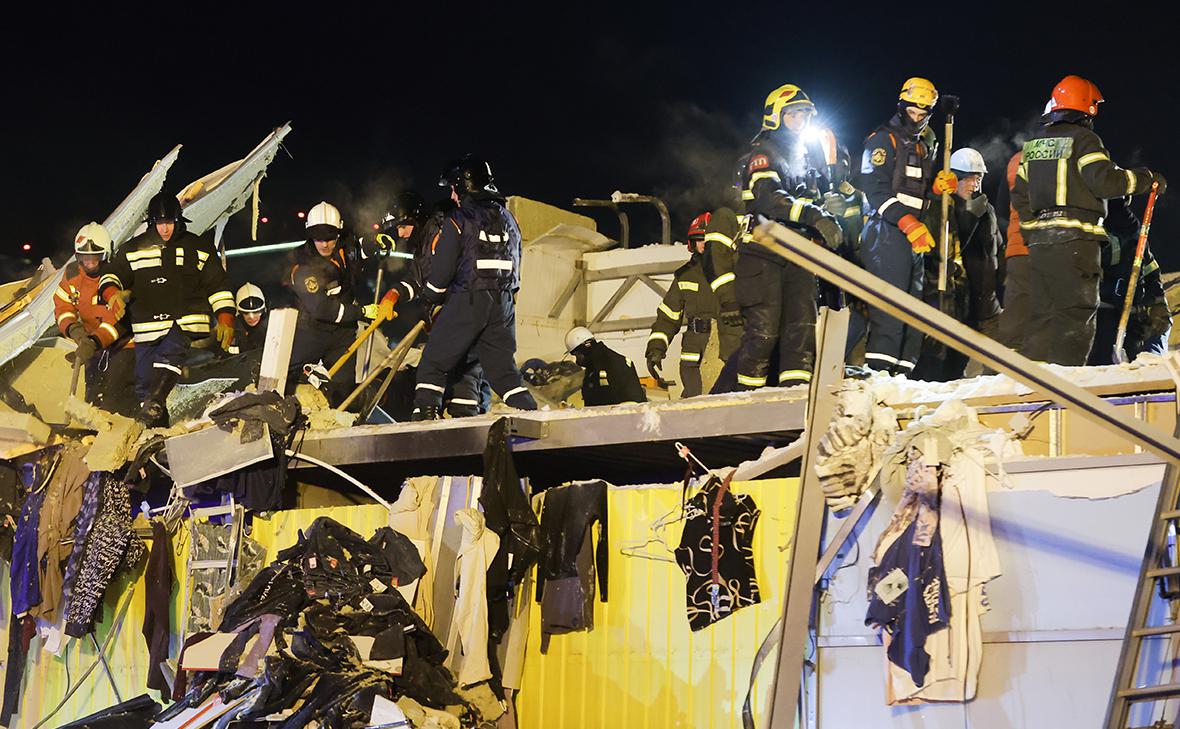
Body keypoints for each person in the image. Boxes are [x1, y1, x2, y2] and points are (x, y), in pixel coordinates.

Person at [1011, 75, 1166, 365]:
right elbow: (1106, 181)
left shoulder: (1032, 146)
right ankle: (1067, 385)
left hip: (1041, 247)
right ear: (1088, 107)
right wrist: (1146, 179)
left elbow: (1020, 195)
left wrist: (1033, 234)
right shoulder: (1084, 140)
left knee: (1042, 317)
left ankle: (1033, 380)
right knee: (1074, 316)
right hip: (1076, 244)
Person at [725, 83, 844, 391]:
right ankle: (747, 402)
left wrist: (828, 207)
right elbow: (769, 199)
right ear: (776, 117)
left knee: (801, 333)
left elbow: (807, 200)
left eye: (805, 115)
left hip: (798, 254)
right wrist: (814, 215)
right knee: (763, 335)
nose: (801, 121)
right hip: (763, 254)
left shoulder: (803, 158)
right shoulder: (764, 154)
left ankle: (795, 400)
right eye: (794, 115)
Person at [411, 155, 537, 420]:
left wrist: (429, 298)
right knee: (504, 372)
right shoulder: (509, 219)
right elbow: (517, 262)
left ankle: (424, 417)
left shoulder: (458, 219)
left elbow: (443, 270)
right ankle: (532, 414)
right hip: (503, 303)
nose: (452, 195)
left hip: (468, 299)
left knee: (433, 362)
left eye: (453, 188)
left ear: (463, 185)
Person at [99, 193, 236, 423]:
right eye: (160, 223)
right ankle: (156, 429)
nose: (165, 229)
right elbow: (110, 276)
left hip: (185, 322)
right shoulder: (133, 249)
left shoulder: (198, 247)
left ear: (178, 220)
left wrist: (225, 317)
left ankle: (155, 402)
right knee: (145, 382)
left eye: (169, 223)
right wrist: (112, 293)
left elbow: (218, 286)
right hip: (147, 327)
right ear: (151, 223)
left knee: (170, 353)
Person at [853, 77, 952, 374]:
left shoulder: (925, 146)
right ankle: (880, 372)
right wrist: (906, 222)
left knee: (912, 308)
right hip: (885, 230)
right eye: (912, 112)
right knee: (891, 307)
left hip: (914, 233)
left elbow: (916, 191)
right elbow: (875, 189)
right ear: (901, 107)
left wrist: (935, 190)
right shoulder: (882, 140)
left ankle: (903, 373)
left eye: (923, 114)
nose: (917, 118)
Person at [385, 191, 490, 417]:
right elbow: (418, 280)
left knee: (443, 365)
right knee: (460, 371)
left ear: (415, 219)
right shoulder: (424, 241)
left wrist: (438, 306)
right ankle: (461, 416)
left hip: (463, 310)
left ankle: (432, 416)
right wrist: (395, 293)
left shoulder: (439, 234)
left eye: (403, 226)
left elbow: (447, 276)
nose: (400, 233)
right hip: (456, 311)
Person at [288, 201, 393, 404]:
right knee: (291, 381)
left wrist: (375, 241)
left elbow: (358, 248)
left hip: (343, 333)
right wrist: (362, 312)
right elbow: (321, 309)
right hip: (312, 332)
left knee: (342, 389)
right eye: (318, 238)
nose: (325, 244)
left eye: (330, 238)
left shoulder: (345, 246)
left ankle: (342, 412)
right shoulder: (303, 267)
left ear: (338, 232)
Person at [915, 148, 1004, 381]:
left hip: (983, 301)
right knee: (941, 369)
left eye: (978, 179)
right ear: (954, 178)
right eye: (968, 179)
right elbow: (944, 245)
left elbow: (996, 248)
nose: (974, 184)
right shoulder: (940, 207)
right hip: (948, 301)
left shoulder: (986, 209)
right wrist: (969, 214)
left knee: (994, 371)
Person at [645, 212, 743, 397]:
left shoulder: (738, 271)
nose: (703, 244)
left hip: (727, 351)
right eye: (699, 239)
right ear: (692, 243)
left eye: (707, 239)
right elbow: (668, 317)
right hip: (692, 358)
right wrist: (655, 348)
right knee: (694, 402)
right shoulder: (685, 275)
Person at [54, 222, 136, 415]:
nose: (89, 262)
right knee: (93, 398)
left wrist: (93, 342)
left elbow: (120, 322)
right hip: (93, 345)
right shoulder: (72, 275)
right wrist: (75, 330)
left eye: (95, 257)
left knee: (115, 397)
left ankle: (128, 428)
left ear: (106, 255)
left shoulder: (117, 277)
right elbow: (63, 306)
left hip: (124, 344)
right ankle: (94, 431)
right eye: (84, 257)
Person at [1088, 196, 1170, 364]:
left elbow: (1149, 270)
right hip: (1100, 316)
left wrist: (1159, 303)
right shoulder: (1092, 230)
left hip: (1132, 317)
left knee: (1158, 336)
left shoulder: (1133, 232)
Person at [994, 150, 1029, 352]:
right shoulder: (1068, 154)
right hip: (1053, 249)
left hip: (1017, 248)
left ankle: (1006, 363)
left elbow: (1002, 208)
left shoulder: (1018, 159)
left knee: (1015, 316)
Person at [566, 327, 646, 406]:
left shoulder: (614, 364)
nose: (577, 361)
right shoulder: (593, 367)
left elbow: (631, 401)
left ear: (584, 349)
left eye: (577, 355)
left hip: (624, 413)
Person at [230, 283, 268, 354]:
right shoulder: (231, 331)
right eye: (246, 313)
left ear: (263, 311)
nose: (251, 317)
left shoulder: (272, 330)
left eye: (256, 312)